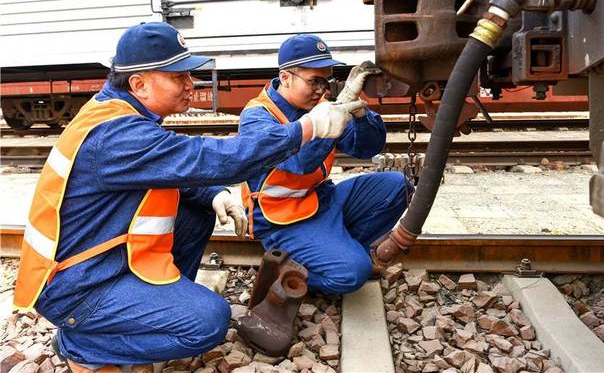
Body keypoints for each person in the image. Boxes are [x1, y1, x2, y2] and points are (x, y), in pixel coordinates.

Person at [12, 23, 366, 371]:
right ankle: (80, 344)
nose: (190, 83)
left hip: (99, 263)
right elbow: (214, 158)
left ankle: (148, 311)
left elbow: (170, 169)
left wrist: (212, 194)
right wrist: (306, 128)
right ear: (139, 83)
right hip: (78, 286)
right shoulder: (117, 135)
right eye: (178, 76)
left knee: (196, 208)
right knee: (208, 322)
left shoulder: (119, 112)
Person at [239, 34, 414, 295]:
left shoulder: (321, 105)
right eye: (314, 81)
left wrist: (360, 114)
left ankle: (336, 248)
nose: (322, 89)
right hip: (283, 219)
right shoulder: (257, 118)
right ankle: (286, 275)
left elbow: (366, 148)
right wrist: (338, 110)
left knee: (396, 186)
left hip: (321, 201)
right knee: (353, 273)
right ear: (286, 77)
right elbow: (300, 162)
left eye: (326, 81)